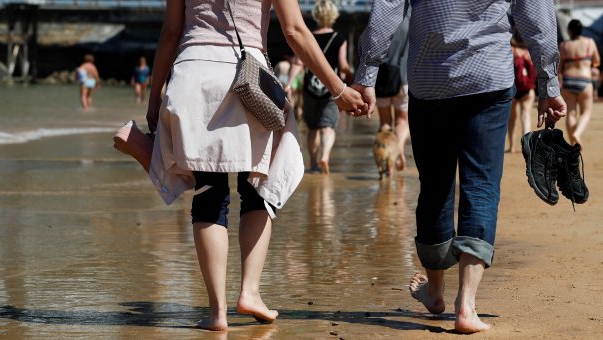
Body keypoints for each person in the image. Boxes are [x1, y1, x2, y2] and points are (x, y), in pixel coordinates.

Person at [138, 0, 365, 331]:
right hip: (247, 77)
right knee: (257, 188)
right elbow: (294, 30)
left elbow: (172, 30)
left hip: (193, 77)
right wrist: (339, 89)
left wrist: (155, 96)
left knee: (208, 193)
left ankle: (217, 312)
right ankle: (250, 292)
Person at [351, 0, 566, 333]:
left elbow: (387, 10)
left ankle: (434, 291)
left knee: (435, 186)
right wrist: (548, 84)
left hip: (429, 80)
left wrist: (366, 75)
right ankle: (466, 306)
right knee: (481, 184)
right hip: (488, 77)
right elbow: (536, 15)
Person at [287, 0, 353, 174]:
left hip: (310, 87)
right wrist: (352, 77)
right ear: (333, 15)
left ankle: (314, 162)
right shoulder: (339, 38)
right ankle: (325, 156)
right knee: (328, 126)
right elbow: (343, 65)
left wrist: (289, 83)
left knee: (312, 127)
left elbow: (299, 63)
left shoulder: (309, 37)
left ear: (316, 15)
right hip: (331, 89)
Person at [373, 9, 410, 170]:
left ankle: (386, 153)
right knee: (402, 121)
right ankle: (399, 148)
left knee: (385, 122)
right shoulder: (411, 20)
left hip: (382, 77)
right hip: (404, 77)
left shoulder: (381, 20)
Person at [559, 19, 600, 146]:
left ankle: (573, 143)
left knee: (571, 112)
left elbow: (560, 67)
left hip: (568, 80)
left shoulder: (564, 45)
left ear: (569, 31)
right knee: (586, 112)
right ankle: (577, 133)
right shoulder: (589, 42)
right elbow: (597, 61)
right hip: (584, 79)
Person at [507, 32, 537, 153]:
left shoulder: (511, 50)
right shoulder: (528, 52)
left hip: (514, 88)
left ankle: (512, 146)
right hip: (527, 89)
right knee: (526, 116)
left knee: (512, 118)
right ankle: (527, 145)